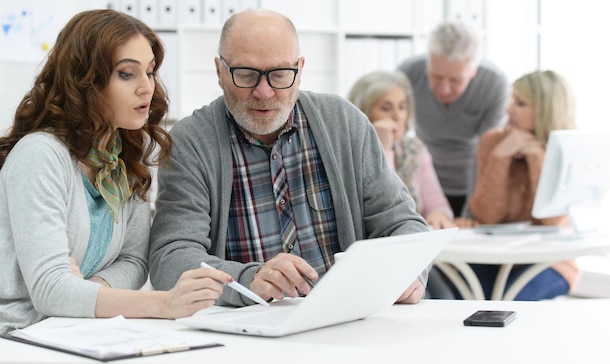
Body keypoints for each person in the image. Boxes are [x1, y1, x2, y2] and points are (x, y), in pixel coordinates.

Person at [149, 9, 430, 307]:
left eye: (280, 74)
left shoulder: (343, 122)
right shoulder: (190, 142)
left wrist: (409, 272)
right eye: (245, 74)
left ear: (300, 69)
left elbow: (402, 224)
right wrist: (247, 280)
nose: (264, 92)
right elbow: (170, 259)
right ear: (219, 72)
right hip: (249, 332)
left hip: (346, 318)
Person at [0, 9, 232, 344]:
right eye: (127, 74)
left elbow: (134, 261)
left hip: (77, 330)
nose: (147, 87)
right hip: (14, 338)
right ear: (85, 81)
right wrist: (165, 303)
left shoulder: (123, 158)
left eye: (149, 72)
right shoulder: (40, 155)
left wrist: (85, 292)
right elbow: (49, 291)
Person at [466, 70, 579, 300]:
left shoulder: (569, 147)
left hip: (551, 262)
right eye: (511, 100)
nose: (509, 109)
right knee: (458, 297)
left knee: (512, 301)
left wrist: (536, 156)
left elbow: (553, 220)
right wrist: (500, 157)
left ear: (545, 110)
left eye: (520, 103)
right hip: (495, 258)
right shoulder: (492, 141)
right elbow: (487, 217)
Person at [398, 19, 510, 221]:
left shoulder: (494, 83)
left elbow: (486, 151)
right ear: (428, 62)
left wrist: (471, 212)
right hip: (422, 187)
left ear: (473, 71)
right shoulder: (408, 73)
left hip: (470, 185)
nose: (444, 88)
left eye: (456, 80)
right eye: (436, 76)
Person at [347, 70, 454, 229]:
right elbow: (387, 208)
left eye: (402, 107)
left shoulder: (414, 149)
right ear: (363, 112)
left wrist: (439, 214)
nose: (397, 116)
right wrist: (383, 149)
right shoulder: (348, 151)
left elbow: (438, 204)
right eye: (386, 108)